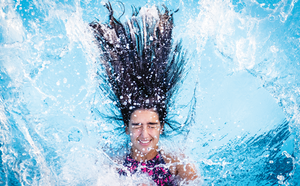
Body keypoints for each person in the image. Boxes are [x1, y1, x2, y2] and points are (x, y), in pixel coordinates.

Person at [90, 2, 199, 185]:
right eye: (137, 125)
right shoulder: (114, 167)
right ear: (127, 128)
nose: (144, 133)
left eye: (151, 124)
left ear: (161, 127)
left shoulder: (179, 165)